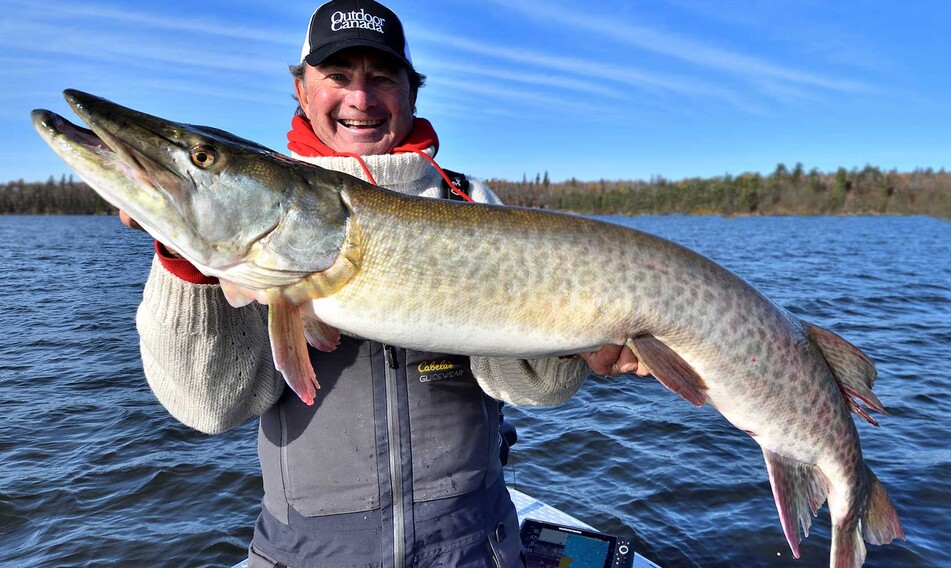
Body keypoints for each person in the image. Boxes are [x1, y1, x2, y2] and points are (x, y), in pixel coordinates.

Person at [121, 1, 648, 567]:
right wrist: (184, 261)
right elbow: (208, 408)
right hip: (307, 554)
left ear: (412, 93)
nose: (361, 99)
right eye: (338, 77)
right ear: (301, 91)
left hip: (472, 548)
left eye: (381, 78)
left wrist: (578, 341)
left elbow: (532, 388)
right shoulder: (253, 221)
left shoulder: (470, 205)